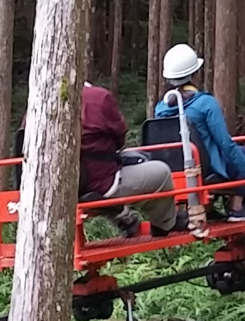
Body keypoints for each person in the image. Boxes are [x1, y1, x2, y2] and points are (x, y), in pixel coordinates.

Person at [155, 44, 245, 221]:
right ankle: (236, 207)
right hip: (205, 169)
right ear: (194, 74)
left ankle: (208, 207)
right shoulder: (206, 104)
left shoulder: (160, 110)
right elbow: (225, 143)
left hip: (174, 170)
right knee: (242, 153)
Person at [76, 82, 184, 237]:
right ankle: (166, 224)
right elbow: (120, 135)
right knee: (162, 172)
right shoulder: (97, 98)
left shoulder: (41, 100)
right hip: (102, 182)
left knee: (130, 160)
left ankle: (125, 218)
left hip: (70, 188)